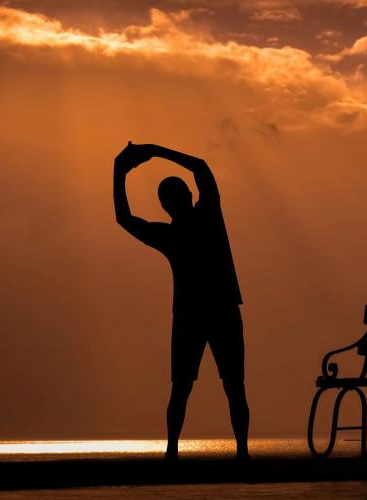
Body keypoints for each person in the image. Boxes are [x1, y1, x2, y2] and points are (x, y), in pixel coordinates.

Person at [113, 142, 250, 461]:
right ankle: (240, 452)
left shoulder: (171, 234)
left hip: (194, 313)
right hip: (220, 309)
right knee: (232, 386)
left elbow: (124, 217)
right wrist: (156, 151)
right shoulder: (207, 216)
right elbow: (200, 166)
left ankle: (173, 451)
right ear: (188, 197)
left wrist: (119, 172)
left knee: (184, 387)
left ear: (166, 206)